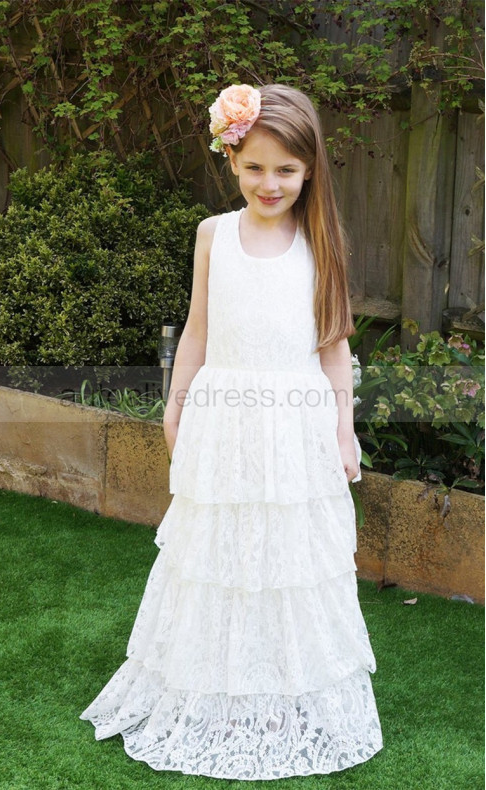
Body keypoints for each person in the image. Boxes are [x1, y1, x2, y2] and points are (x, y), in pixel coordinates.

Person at [80, 83, 384, 780]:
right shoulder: (213, 235)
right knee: (221, 555)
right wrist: (175, 402)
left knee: (288, 563)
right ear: (230, 159)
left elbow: (334, 345)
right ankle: (211, 688)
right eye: (254, 167)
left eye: (285, 169)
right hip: (225, 415)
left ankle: (284, 691)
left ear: (309, 171)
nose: (268, 183)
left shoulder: (321, 240)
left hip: (296, 424)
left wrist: (344, 430)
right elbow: (198, 327)